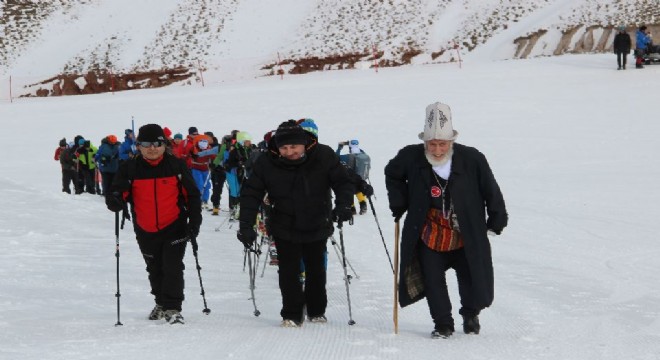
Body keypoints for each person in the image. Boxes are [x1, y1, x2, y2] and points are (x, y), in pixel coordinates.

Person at [384, 102, 508, 339]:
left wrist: (497, 219)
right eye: (432, 144)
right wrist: (399, 202)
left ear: (451, 142)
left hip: (465, 232)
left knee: (471, 277)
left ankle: (470, 314)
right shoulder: (410, 156)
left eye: (442, 144)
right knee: (432, 281)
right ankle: (443, 323)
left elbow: (490, 189)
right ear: (425, 142)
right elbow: (392, 173)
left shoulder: (472, 158)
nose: (438, 150)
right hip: (429, 232)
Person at [237, 120, 354, 327]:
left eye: (294, 147)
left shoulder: (323, 155)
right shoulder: (266, 162)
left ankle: (316, 310)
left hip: (317, 220)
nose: (289, 152)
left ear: (304, 143)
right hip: (284, 224)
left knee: (316, 269)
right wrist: (246, 225)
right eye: (284, 147)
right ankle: (291, 313)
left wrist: (344, 205)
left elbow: (342, 182)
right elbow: (251, 193)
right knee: (288, 271)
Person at [105, 124, 202, 325]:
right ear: (139, 146)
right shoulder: (130, 168)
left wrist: (195, 220)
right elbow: (118, 191)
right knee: (154, 268)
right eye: (147, 144)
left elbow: (192, 195)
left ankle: (173, 307)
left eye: (157, 143)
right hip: (145, 227)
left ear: (163, 145)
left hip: (174, 224)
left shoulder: (176, 166)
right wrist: (114, 199)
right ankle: (161, 302)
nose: (152, 148)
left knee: (173, 267)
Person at [336, 139, 371, 215]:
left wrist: (339, 148)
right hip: (360, 178)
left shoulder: (347, 157)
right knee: (358, 190)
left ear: (350, 148)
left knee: (349, 191)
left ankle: (352, 209)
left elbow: (336, 157)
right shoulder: (363, 155)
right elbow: (361, 152)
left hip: (350, 178)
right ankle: (363, 204)